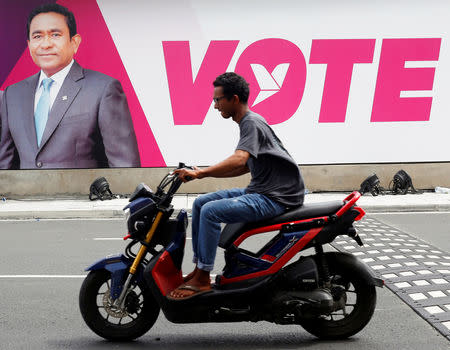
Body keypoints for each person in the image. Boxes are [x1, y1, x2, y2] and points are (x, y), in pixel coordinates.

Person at [168, 72, 305, 300]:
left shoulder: (250, 122)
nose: (214, 106)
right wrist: (200, 174)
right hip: (263, 190)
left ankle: (203, 278)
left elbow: (240, 159)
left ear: (233, 99)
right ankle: (199, 269)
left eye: (217, 100)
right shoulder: (249, 122)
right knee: (202, 203)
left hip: (275, 197)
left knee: (211, 212)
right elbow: (244, 166)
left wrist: (201, 173)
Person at [0, 3, 140, 169]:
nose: (45, 44)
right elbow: (5, 167)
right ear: (29, 44)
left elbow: (124, 167)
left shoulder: (103, 89)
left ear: (74, 42)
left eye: (55, 35)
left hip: (80, 195)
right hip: (25, 195)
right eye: (37, 36)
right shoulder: (12, 94)